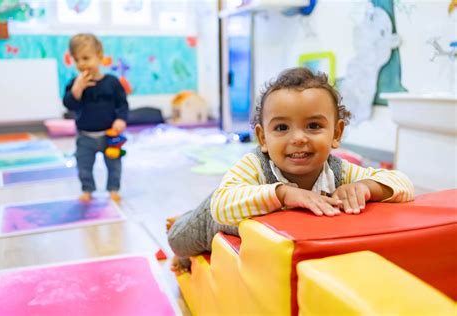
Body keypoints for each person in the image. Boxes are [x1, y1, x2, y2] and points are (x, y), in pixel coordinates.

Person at [167, 67, 414, 274]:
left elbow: (403, 184)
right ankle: (182, 220)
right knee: (179, 241)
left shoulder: (337, 171)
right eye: (282, 127)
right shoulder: (255, 165)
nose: (298, 138)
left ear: (336, 133)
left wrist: (366, 187)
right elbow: (221, 206)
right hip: (218, 218)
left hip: (272, 239)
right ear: (262, 138)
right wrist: (283, 193)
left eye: (313, 126)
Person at [63, 33, 129, 202]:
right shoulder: (74, 84)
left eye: (86, 58)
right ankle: (87, 189)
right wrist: (77, 89)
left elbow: (122, 104)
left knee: (114, 166)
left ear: (99, 57)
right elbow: (69, 105)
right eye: (77, 60)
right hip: (85, 136)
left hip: (110, 135)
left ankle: (113, 189)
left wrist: (120, 119)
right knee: (83, 166)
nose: (81, 64)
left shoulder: (112, 82)